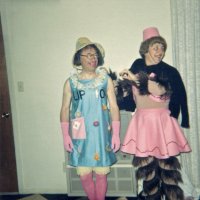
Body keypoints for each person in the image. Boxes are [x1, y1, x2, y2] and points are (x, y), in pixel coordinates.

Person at [118, 27, 192, 200]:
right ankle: (151, 196)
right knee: (147, 167)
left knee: (167, 166)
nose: (160, 52)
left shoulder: (169, 70)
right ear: (146, 48)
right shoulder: (137, 65)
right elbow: (129, 91)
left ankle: (172, 196)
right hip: (142, 122)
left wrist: (181, 118)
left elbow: (178, 94)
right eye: (156, 47)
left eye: (162, 48)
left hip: (162, 122)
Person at [60, 37, 120, 200]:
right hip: (80, 130)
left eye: (95, 55)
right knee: (84, 173)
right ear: (79, 57)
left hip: (101, 131)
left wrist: (115, 134)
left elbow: (114, 106)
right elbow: (65, 108)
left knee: (101, 173)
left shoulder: (104, 80)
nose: (93, 58)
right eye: (88, 54)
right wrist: (65, 135)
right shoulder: (70, 82)